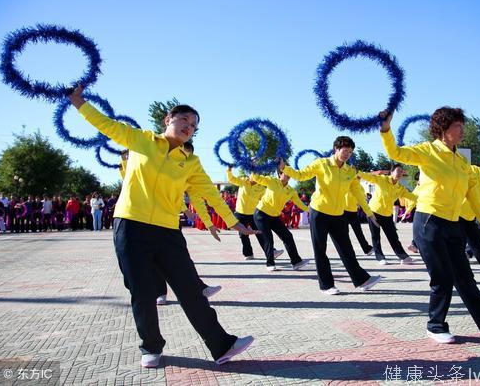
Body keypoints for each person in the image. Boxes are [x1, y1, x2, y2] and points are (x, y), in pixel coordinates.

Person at [68, 85, 256, 368]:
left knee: (191, 291)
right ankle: (151, 349)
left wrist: (233, 222)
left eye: (193, 126)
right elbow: (105, 124)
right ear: (168, 119)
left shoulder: (191, 163)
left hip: (168, 232)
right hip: (130, 226)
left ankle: (222, 346)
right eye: (184, 121)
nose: (188, 127)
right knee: (142, 291)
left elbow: (210, 194)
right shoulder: (140, 140)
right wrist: (79, 102)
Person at [379, 106, 480, 343]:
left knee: (464, 276)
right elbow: (396, 152)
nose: (462, 130)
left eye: (462, 126)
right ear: (443, 128)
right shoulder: (428, 151)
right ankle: (435, 326)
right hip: (429, 222)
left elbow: (472, 194)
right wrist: (385, 129)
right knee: (442, 277)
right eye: (457, 126)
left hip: (453, 223)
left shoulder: (461, 161)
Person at [280, 136, 382, 295]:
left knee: (346, 249)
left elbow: (358, 193)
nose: (347, 154)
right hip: (319, 212)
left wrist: (370, 214)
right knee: (320, 249)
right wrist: (285, 168)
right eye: (344, 150)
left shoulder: (350, 171)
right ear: (336, 149)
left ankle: (362, 280)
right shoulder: (322, 164)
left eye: (350, 151)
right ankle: (326, 286)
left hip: (338, 214)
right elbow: (301, 175)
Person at [357, 164, 417, 265]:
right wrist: (357, 172)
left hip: (387, 214)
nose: (399, 173)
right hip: (374, 211)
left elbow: (412, 196)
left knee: (393, 236)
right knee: (376, 236)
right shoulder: (382, 179)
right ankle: (380, 257)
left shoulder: (400, 188)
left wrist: (427, 199)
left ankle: (403, 256)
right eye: (398, 171)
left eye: (401, 172)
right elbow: (368, 177)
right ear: (391, 172)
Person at [251, 171, 310, 271]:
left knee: (288, 236)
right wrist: (253, 167)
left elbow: (299, 203)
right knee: (268, 239)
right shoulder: (271, 181)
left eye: (289, 174)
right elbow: (256, 177)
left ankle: (296, 262)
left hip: (274, 217)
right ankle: (270, 264)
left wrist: (310, 211)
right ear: (280, 174)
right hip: (261, 214)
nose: (287, 175)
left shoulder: (291, 190)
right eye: (285, 173)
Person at [227, 167, 268, 260]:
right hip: (240, 212)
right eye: (252, 174)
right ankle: (248, 253)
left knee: (260, 233)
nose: (252, 176)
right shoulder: (243, 181)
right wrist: (229, 169)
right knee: (243, 235)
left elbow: (265, 200)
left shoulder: (261, 188)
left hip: (253, 214)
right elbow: (231, 179)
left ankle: (270, 252)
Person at [343, 187, 374, 255]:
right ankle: (348, 251)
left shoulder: (360, 187)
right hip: (343, 211)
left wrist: (358, 203)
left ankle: (367, 249)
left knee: (359, 232)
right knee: (345, 233)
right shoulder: (345, 182)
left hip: (353, 211)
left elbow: (362, 198)